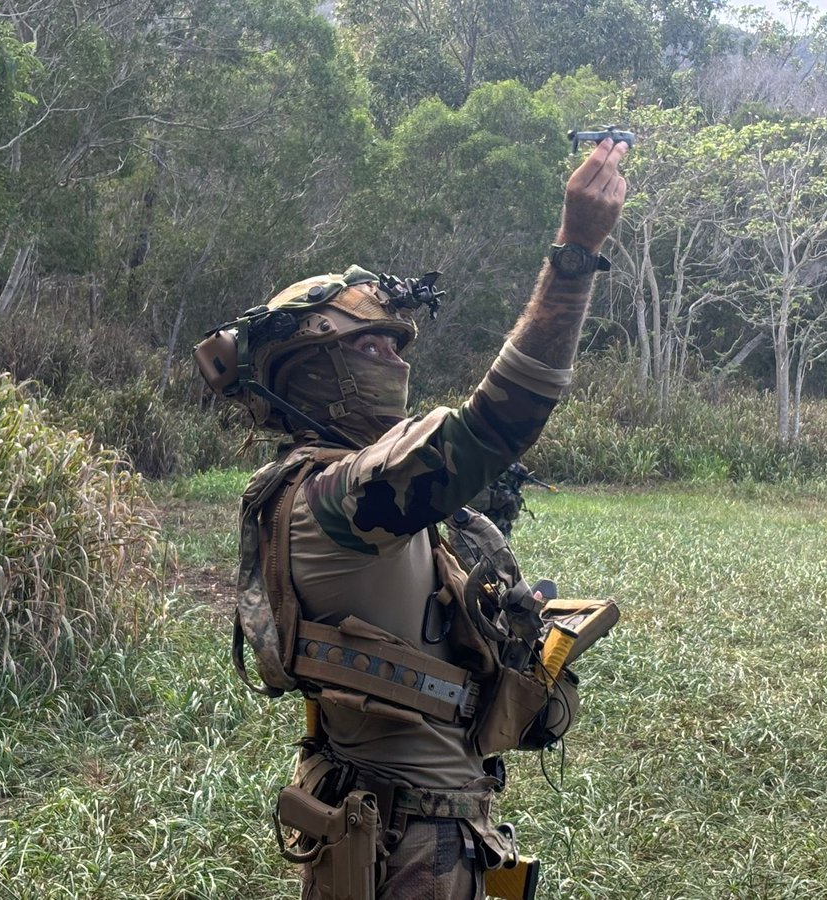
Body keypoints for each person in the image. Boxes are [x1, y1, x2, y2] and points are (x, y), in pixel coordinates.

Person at [195, 137, 627, 899]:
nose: (398, 360)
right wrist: (574, 254)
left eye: (399, 345)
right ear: (313, 371)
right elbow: (496, 422)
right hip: (411, 850)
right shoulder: (335, 500)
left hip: (405, 827)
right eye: (371, 344)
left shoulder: (350, 501)